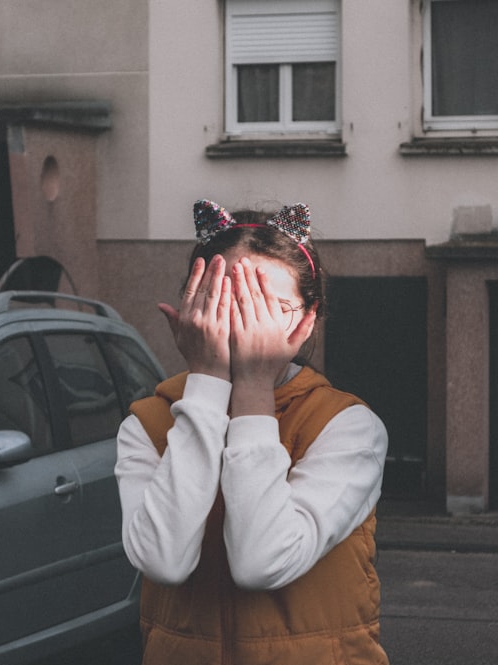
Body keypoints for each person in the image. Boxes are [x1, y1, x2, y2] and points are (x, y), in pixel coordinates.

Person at [115, 199, 389, 664]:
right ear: (192, 306)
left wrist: (255, 389)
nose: (247, 323)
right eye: (231, 299)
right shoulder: (148, 423)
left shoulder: (346, 425)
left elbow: (261, 563)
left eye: (271, 306)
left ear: (305, 323)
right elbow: (162, 561)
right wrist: (205, 385)